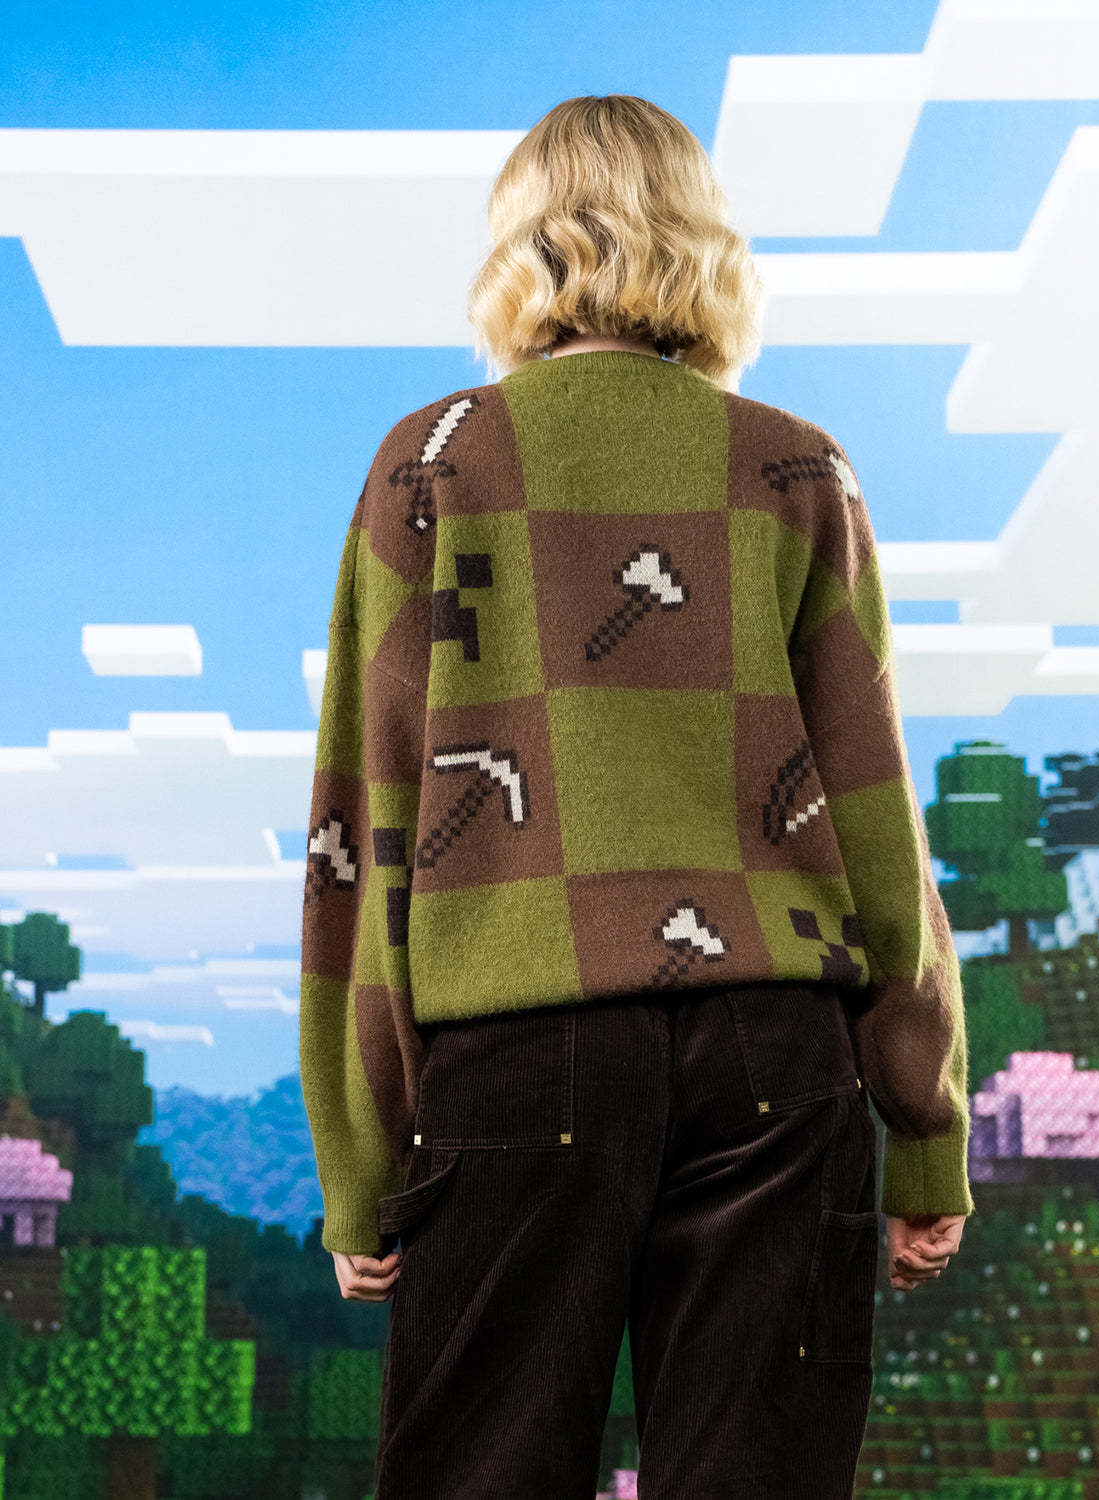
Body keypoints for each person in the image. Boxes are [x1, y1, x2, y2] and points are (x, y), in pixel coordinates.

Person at [300, 93, 973, 1499]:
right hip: (775, 1054)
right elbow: (876, 824)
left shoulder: (434, 460)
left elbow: (366, 827)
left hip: (518, 1044)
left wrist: (361, 1157)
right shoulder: (797, 468)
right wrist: (925, 1126)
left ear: (520, 243)